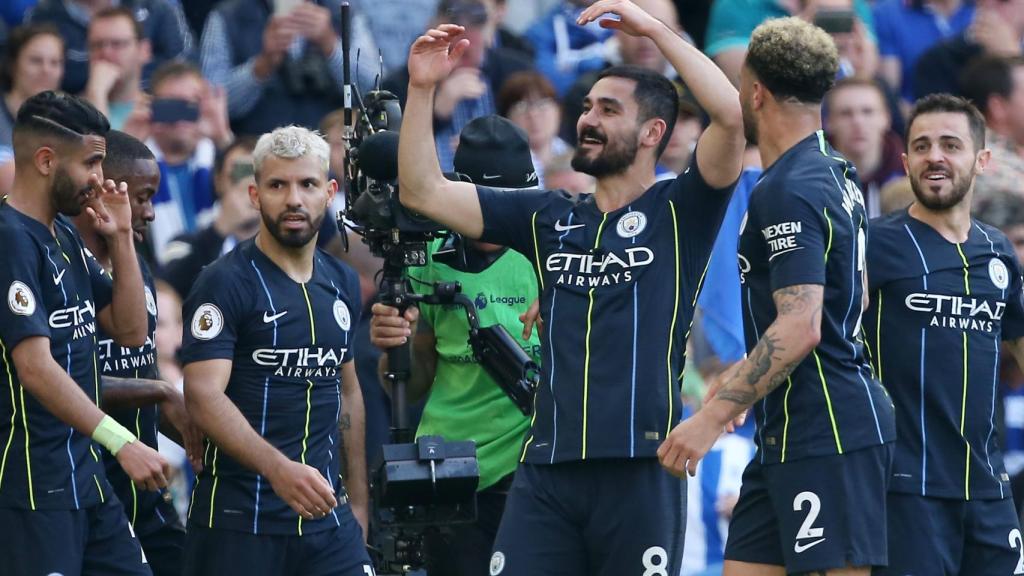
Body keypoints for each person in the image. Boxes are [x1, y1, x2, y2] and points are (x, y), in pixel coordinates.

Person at [397, 0, 745, 572]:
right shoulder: (547, 216)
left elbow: (731, 115)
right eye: (586, 107)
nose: (588, 119)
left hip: (638, 467)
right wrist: (421, 90)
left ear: (654, 131)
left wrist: (657, 31)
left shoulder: (682, 210)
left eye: (609, 109)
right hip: (546, 472)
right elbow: (422, 192)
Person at [658, 17, 896, 575]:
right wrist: (750, 380)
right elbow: (847, 301)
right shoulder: (832, 169)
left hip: (830, 429)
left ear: (754, 92)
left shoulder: (791, 187)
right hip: (787, 424)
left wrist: (713, 415)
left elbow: (802, 325)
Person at [179, 125, 372, 575]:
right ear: (253, 194)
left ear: (329, 192)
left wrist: (359, 503)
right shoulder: (224, 281)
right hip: (239, 522)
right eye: (277, 185)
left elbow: (348, 392)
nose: (293, 200)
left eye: (307, 184)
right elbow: (203, 395)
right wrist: (278, 469)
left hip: (329, 522)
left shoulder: (343, 282)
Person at [0, 90, 170, 574]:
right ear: (47, 160)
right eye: (92, 163)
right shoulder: (10, 240)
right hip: (32, 489)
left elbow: (131, 332)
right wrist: (122, 440)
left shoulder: (66, 234)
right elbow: (34, 366)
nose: (101, 178)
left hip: (86, 479)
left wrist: (120, 239)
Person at [370, 115, 540, 576]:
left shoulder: (552, 249)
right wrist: (394, 346)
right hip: (450, 470)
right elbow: (412, 379)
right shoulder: (425, 256)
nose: (504, 216)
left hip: (534, 467)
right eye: (491, 203)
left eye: (516, 202)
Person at [864, 93, 1024, 576]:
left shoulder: (997, 250)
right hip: (906, 487)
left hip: (989, 487)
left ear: (981, 160)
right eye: (923, 145)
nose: (935, 155)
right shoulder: (873, 243)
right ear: (906, 159)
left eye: (950, 144)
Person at [71, 129, 199, 576]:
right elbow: (60, 380)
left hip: (145, 477)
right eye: (142, 197)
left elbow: (137, 365)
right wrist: (161, 390)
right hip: (88, 477)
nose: (148, 211)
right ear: (106, 190)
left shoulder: (133, 260)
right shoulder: (61, 267)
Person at [0, 23, 63, 151]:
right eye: (36, 60)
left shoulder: (71, 121)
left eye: (55, 62)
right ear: (13, 64)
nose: (46, 70)